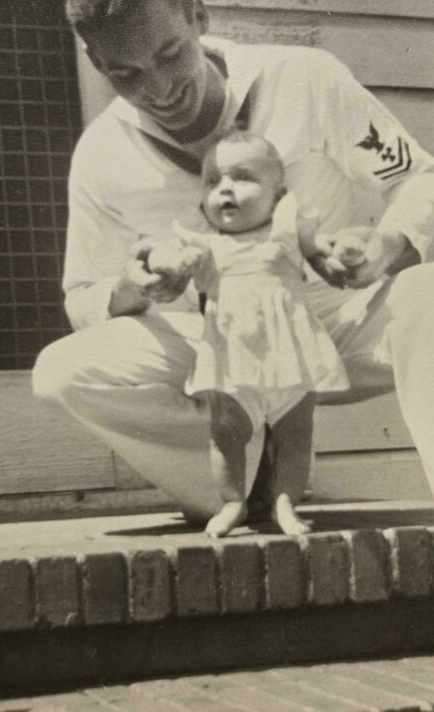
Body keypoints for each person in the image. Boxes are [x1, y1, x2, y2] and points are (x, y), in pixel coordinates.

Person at [32, 0, 434, 691]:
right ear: (96, 64)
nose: (161, 86)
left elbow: (417, 174)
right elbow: (84, 298)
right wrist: (136, 283)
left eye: (171, 53)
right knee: (63, 371)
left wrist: (383, 244)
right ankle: (244, 490)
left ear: (200, 16)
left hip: (340, 326)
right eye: (126, 73)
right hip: (225, 353)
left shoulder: (305, 79)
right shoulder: (101, 155)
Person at [149, 129, 349, 538]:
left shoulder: (288, 235)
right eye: (213, 181)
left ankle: (285, 503)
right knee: (226, 434)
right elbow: (162, 255)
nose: (225, 189)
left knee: (295, 435)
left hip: (290, 358)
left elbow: (324, 249)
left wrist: (340, 254)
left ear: (278, 197)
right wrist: (171, 262)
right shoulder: (204, 247)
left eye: (242, 178)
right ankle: (233, 502)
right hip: (231, 361)